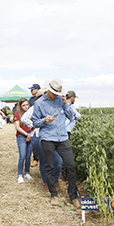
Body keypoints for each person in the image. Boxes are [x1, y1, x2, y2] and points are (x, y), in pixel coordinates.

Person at [31, 78, 80, 207]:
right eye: (54, 93)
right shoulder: (39, 103)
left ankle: (73, 195)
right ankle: (53, 194)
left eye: (58, 93)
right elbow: (35, 122)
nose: (56, 96)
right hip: (48, 138)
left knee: (71, 165)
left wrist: (65, 104)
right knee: (50, 166)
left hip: (62, 137)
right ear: (48, 90)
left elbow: (71, 116)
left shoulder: (61, 100)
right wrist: (44, 121)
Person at [22, 88, 63, 190]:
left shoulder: (53, 106)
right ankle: (46, 182)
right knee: (44, 160)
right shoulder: (36, 106)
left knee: (58, 161)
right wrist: (36, 125)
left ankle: (55, 181)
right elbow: (24, 118)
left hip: (51, 136)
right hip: (38, 137)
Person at [14, 97, 34, 184]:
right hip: (22, 136)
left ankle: (27, 173)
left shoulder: (32, 113)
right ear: (20, 106)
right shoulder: (18, 114)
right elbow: (17, 127)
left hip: (31, 134)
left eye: (27, 105)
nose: (26, 107)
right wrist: (26, 134)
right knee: (22, 155)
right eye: (23, 105)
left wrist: (30, 134)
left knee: (28, 156)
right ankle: (20, 175)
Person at [28, 83, 41, 166]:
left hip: (43, 121)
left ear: (37, 89)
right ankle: (35, 159)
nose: (31, 91)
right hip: (34, 122)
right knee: (34, 141)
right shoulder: (31, 99)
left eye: (33, 89)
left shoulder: (42, 98)